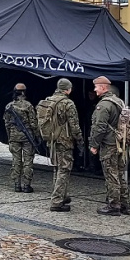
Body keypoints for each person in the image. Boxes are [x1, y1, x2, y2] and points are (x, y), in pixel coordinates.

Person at [89, 76, 129, 216]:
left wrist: (94, 144)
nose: (94, 89)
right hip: (120, 143)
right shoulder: (119, 101)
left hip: (109, 145)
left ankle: (114, 205)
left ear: (103, 87)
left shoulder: (104, 105)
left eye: (96, 87)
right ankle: (124, 204)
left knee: (111, 175)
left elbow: (99, 127)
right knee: (119, 174)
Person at [43, 78, 82, 212]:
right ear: (68, 89)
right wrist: (80, 140)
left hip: (52, 140)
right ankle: (57, 201)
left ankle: (61, 195)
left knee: (57, 168)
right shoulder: (68, 104)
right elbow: (74, 126)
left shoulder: (49, 100)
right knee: (64, 170)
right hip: (65, 141)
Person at [4, 82, 39, 192]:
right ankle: (26, 185)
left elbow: (7, 124)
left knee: (16, 160)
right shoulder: (28, 105)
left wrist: (10, 137)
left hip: (14, 136)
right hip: (27, 137)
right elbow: (33, 123)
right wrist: (37, 136)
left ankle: (16, 185)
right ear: (24, 92)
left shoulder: (9, 106)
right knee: (28, 161)